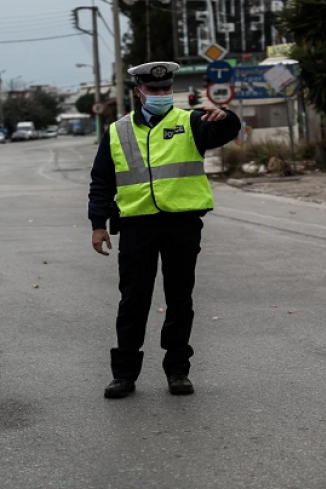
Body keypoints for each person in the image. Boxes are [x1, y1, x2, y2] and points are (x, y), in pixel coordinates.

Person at [88, 61, 241, 399]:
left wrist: (225, 114)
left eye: (166, 89)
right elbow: (101, 181)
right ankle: (124, 375)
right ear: (138, 92)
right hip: (136, 227)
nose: (160, 95)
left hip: (181, 224)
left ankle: (178, 372)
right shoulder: (118, 131)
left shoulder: (191, 121)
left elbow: (227, 130)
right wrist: (98, 224)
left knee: (179, 300)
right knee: (133, 301)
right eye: (153, 90)